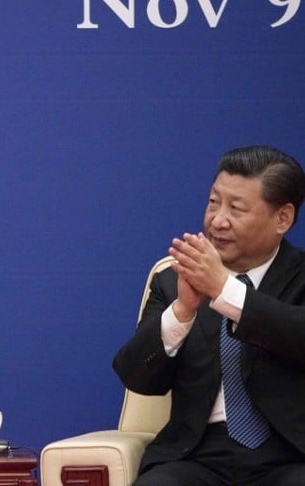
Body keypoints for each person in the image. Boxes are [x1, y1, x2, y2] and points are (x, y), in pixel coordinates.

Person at [113, 145, 305, 486]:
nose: (217, 220)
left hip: (290, 455)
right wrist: (182, 311)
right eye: (213, 202)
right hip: (197, 456)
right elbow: (136, 376)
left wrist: (225, 292)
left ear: (282, 218)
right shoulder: (173, 281)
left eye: (237, 208)